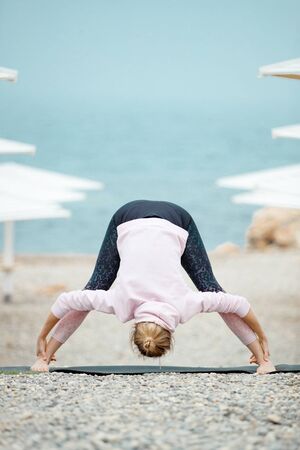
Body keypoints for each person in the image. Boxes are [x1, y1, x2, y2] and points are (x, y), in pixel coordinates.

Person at [31, 199, 276, 374]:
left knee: (213, 292)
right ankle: (44, 356)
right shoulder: (120, 304)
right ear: (134, 329)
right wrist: (43, 336)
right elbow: (66, 301)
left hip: (170, 219)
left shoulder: (184, 306)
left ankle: (264, 360)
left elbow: (238, 304)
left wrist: (261, 337)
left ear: (171, 334)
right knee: (89, 293)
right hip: (129, 217)